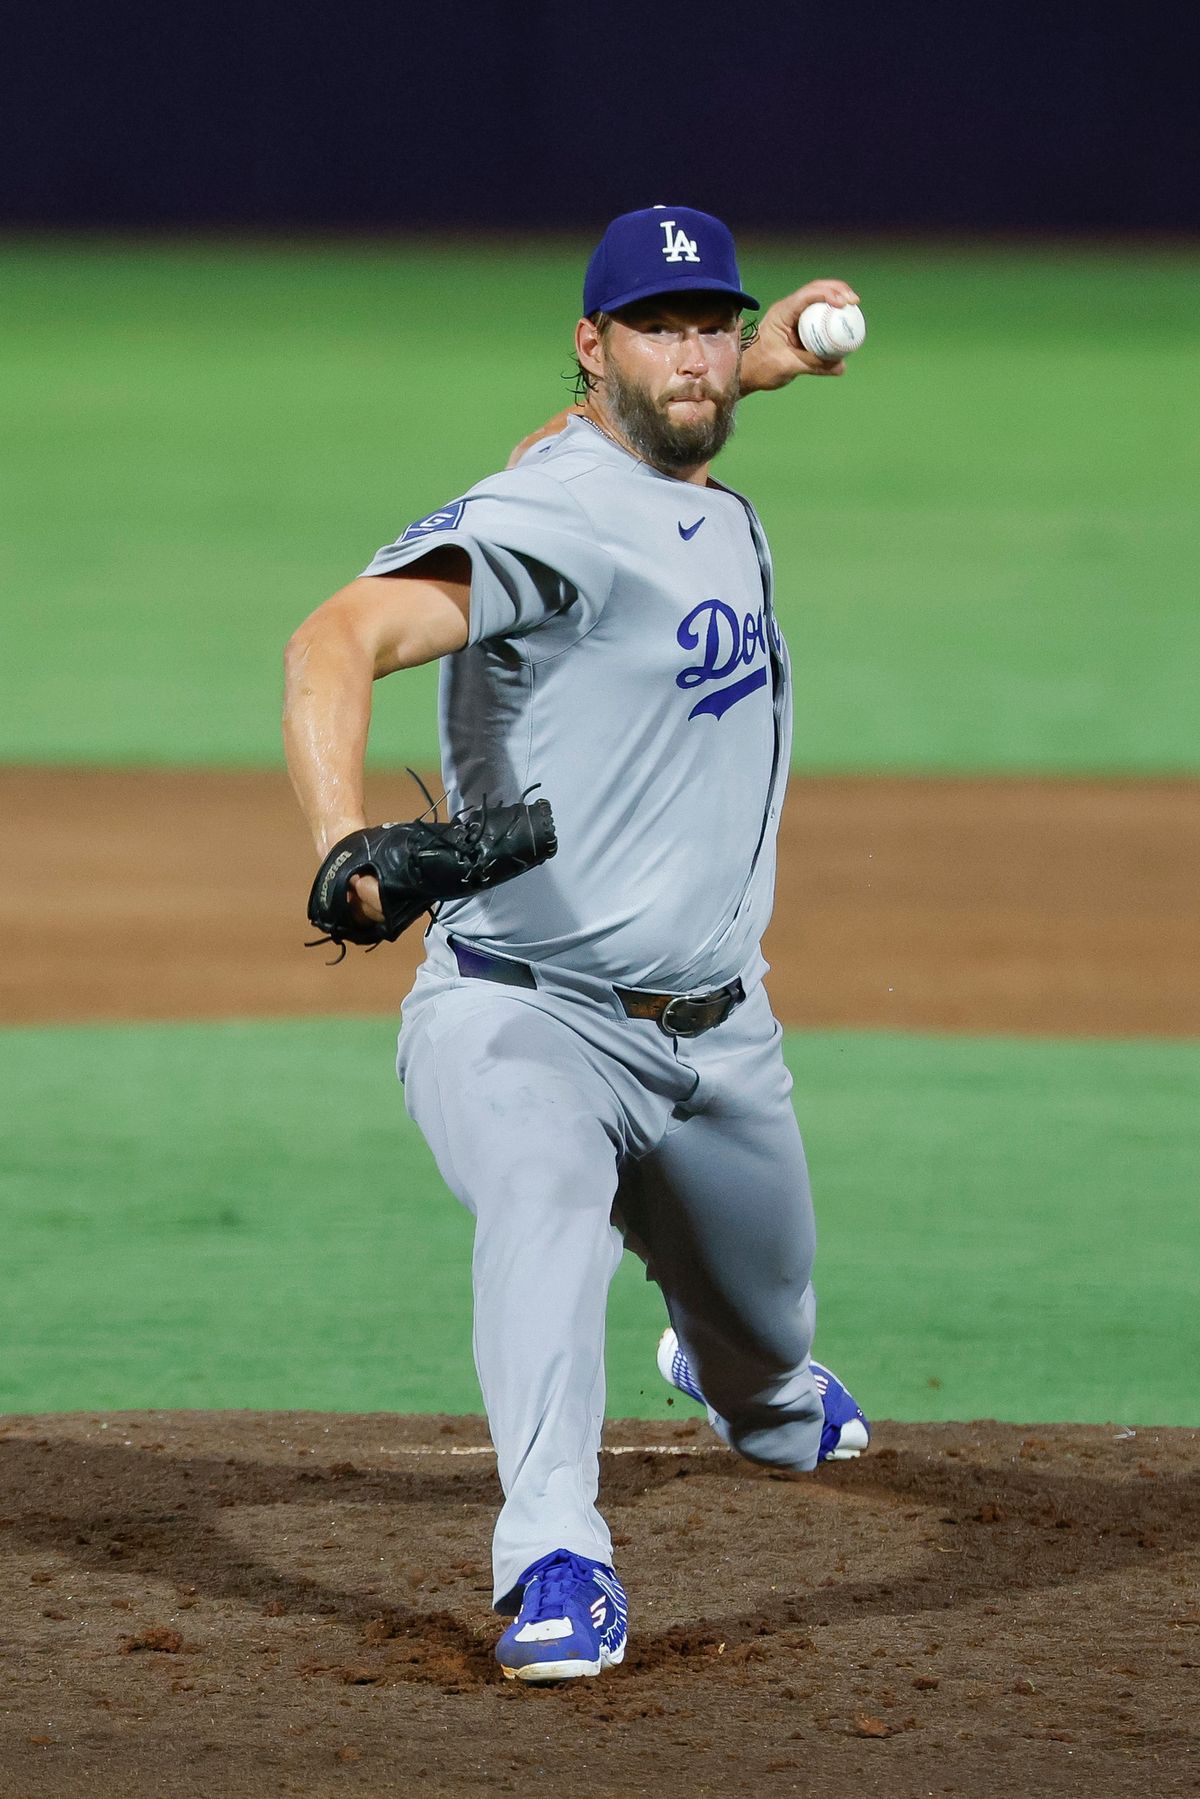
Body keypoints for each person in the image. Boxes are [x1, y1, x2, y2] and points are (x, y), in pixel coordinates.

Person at [282, 205, 869, 1685]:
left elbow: (670, 428)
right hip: (525, 1017)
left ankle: (737, 1372)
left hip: (724, 1043)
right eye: (656, 326)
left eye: (710, 324)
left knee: (770, 1382)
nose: (694, 352)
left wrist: (763, 361)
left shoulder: (694, 481)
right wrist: (341, 840)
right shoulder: (544, 520)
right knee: (543, 1197)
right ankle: (555, 1555)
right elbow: (331, 641)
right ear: (589, 343)